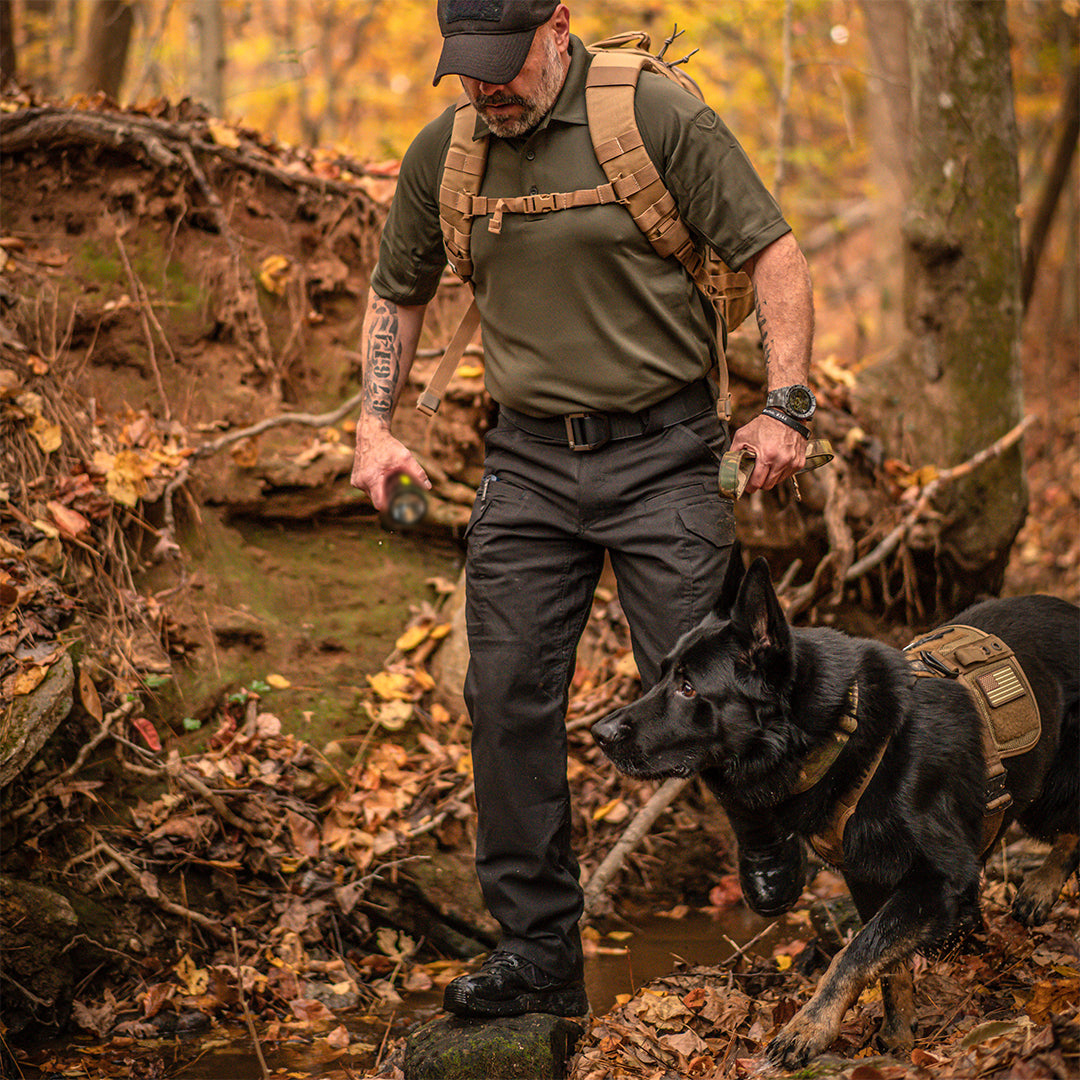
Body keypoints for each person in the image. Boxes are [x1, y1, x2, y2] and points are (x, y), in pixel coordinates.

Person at [350, 0, 815, 1019]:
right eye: (466, 69)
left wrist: (785, 405)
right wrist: (374, 427)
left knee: (703, 689)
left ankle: (773, 829)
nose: (486, 89)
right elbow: (398, 288)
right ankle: (539, 954)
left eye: (503, 65)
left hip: (669, 453)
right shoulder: (448, 149)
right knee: (505, 698)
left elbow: (772, 252)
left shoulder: (653, 120)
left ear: (558, 27)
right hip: (527, 462)